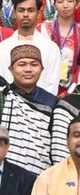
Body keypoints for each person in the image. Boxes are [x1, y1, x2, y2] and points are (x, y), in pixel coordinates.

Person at [0, 44, 56, 174]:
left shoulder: (52, 102)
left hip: (40, 174)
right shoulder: (4, 97)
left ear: (42, 69)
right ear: (11, 69)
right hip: (6, 175)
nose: (28, 69)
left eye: (34, 64)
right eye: (22, 64)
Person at [0, 0, 60, 94]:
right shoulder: (3, 48)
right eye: (21, 10)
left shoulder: (51, 48)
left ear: (38, 13)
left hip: (41, 107)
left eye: (31, 10)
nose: (26, 14)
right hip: (9, 106)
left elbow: (52, 84)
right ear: (14, 13)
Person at [41, 0, 80, 94]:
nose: (65, 5)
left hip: (72, 86)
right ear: (54, 5)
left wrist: (71, 90)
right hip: (45, 82)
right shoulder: (44, 28)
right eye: (60, 1)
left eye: (69, 1)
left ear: (77, 4)